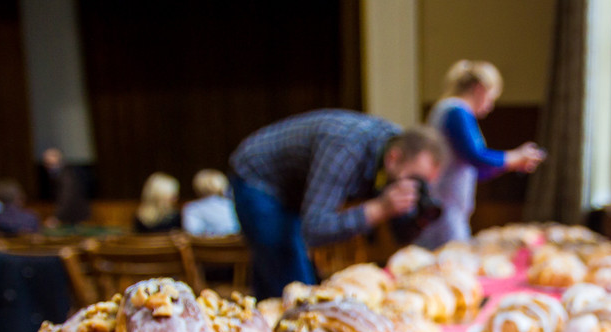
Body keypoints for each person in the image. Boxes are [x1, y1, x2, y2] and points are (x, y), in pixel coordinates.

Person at [228, 109, 449, 299]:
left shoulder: (396, 160)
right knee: (295, 285)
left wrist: (418, 219)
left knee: (278, 275)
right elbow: (314, 228)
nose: (415, 188)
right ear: (393, 157)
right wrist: (379, 209)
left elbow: (399, 236)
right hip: (258, 178)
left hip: (293, 189)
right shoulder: (345, 149)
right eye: (415, 180)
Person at [419, 60, 546, 250]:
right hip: (444, 208)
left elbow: (476, 170)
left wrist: (512, 164)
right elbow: (476, 157)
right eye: (491, 98)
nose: (491, 106)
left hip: (449, 206)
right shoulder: (456, 110)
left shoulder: (449, 109)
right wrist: (514, 157)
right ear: (480, 89)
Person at [40, 147, 91, 226]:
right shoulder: (59, 175)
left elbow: (67, 197)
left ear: (58, 161)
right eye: (46, 164)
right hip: (69, 216)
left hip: (75, 216)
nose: (48, 167)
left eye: (50, 164)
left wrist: (56, 217)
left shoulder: (67, 175)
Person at [181, 169, 240, 237]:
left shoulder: (192, 208)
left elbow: (192, 233)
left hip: (206, 246)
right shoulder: (232, 204)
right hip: (235, 245)